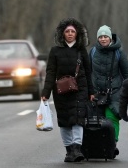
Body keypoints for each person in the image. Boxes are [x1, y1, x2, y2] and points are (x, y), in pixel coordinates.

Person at [41, 17, 95, 163]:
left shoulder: (81, 51)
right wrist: (45, 93)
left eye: (73, 31)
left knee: (78, 119)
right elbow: (50, 72)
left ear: (77, 34)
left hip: (80, 89)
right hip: (61, 91)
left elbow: (89, 72)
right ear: (62, 34)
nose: (70, 33)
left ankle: (77, 149)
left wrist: (91, 91)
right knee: (64, 120)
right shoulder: (55, 51)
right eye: (67, 31)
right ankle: (69, 151)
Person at [89, 25, 128, 157]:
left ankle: (113, 144)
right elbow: (88, 71)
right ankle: (100, 146)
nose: (103, 39)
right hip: (96, 92)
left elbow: (127, 74)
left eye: (105, 36)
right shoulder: (93, 52)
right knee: (96, 120)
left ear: (110, 38)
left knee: (112, 118)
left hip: (115, 91)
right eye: (100, 37)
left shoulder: (119, 53)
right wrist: (88, 91)